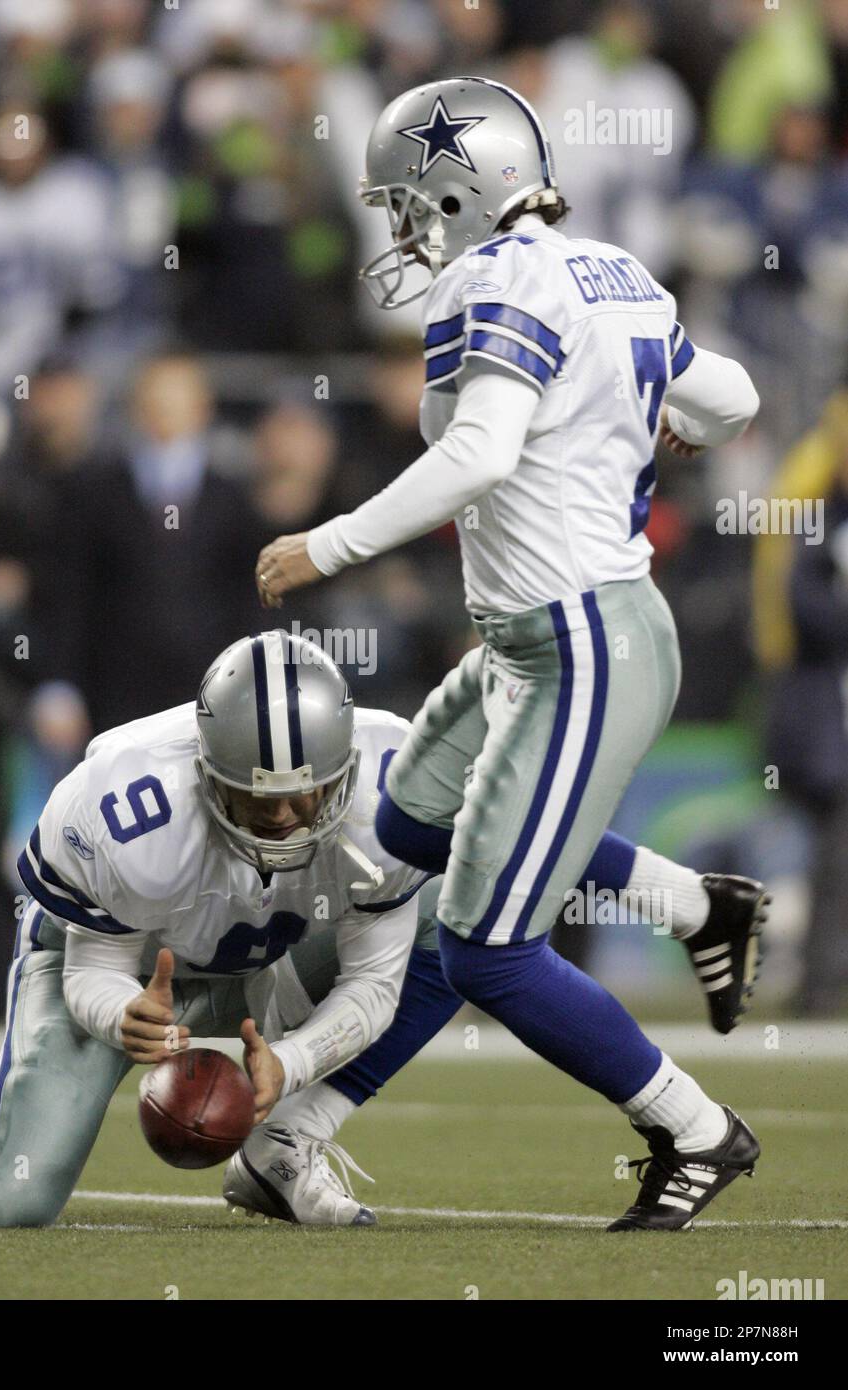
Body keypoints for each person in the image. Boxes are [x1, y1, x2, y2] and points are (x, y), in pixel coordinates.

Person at [253, 77, 765, 1232]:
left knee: (486, 945)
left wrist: (323, 544)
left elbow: (478, 455)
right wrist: (675, 425)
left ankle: (692, 1129)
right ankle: (694, 904)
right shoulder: (609, 266)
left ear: (457, 187)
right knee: (405, 833)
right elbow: (729, 394)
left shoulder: (495, 275)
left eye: (409, 203)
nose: (402, 230)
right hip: (534, 644)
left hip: (580, 642)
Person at [0, 631, 764, 1229]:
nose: (285, 821)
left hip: (261, 951)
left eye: (307, 797)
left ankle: (285, 1144)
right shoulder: (122, 808)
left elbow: (378, 982)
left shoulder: (388, 788)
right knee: (5, 1200)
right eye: (256, 803)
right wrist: (121, 1018)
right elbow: (92, 957)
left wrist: (289, 1066)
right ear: (206, 771)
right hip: (129, 962)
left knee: (460, 903)